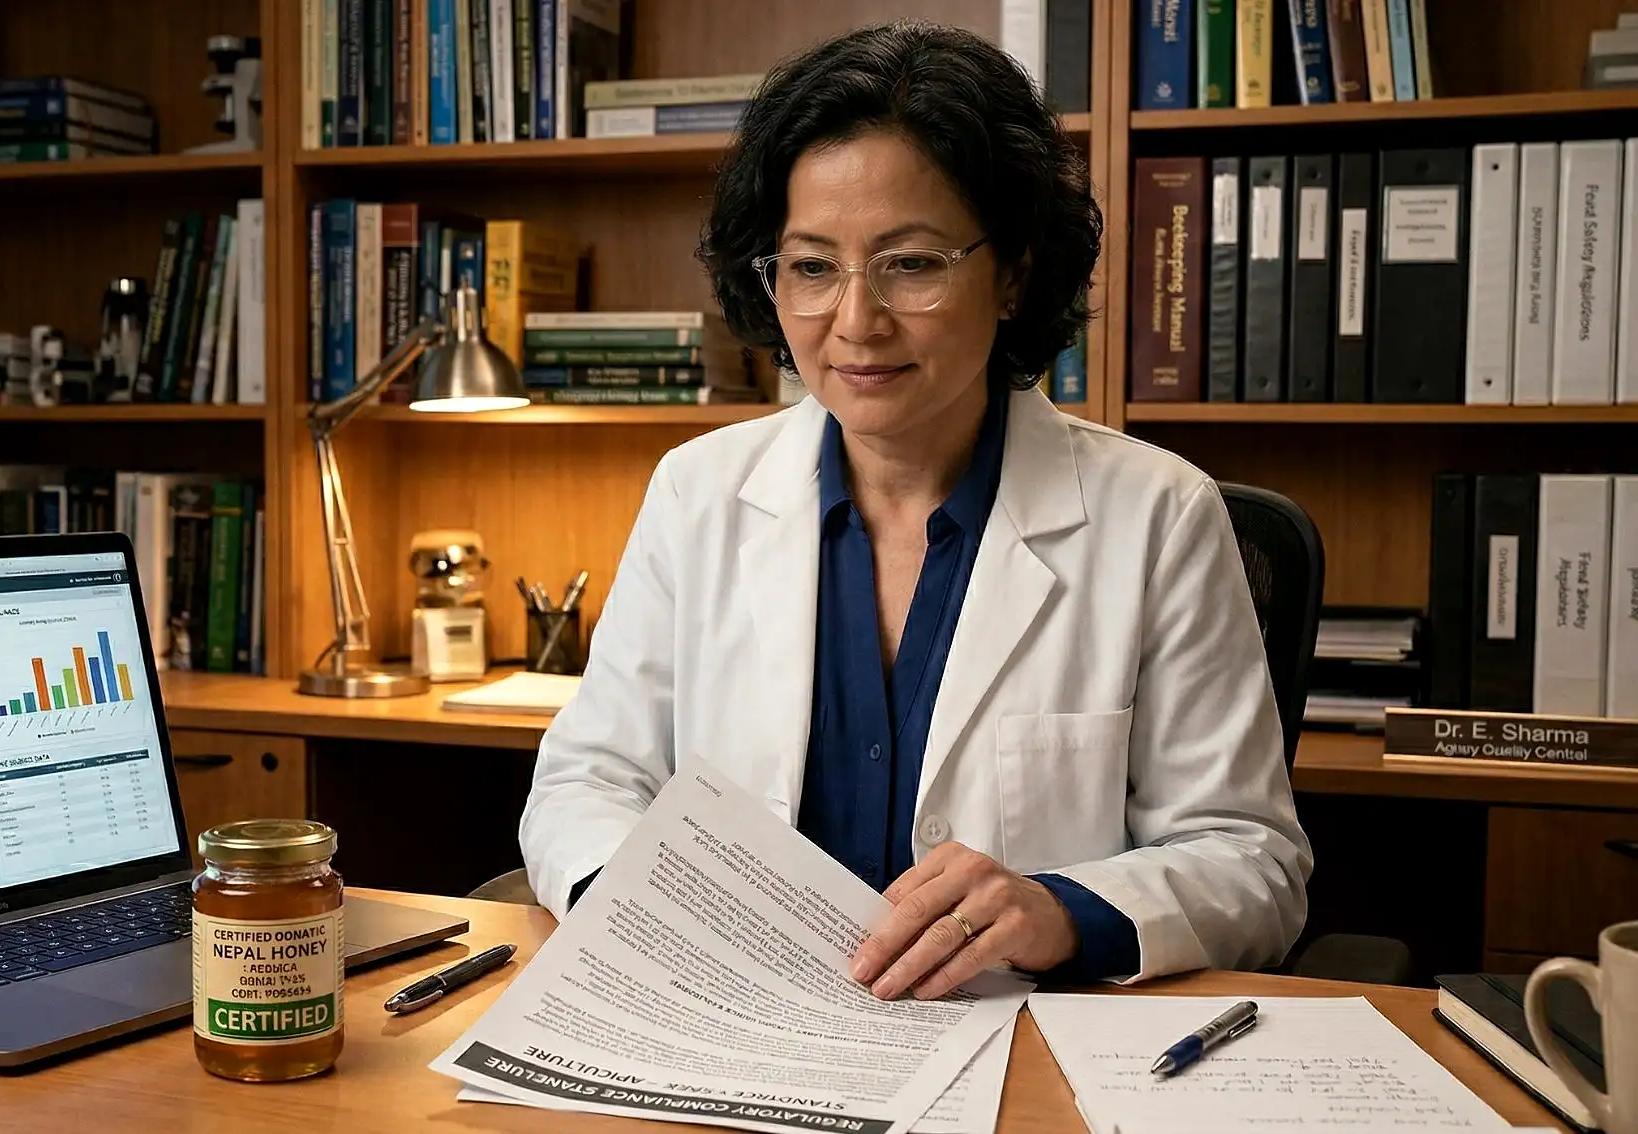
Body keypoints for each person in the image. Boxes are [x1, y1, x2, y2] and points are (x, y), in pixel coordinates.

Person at [518, 20, 1311, 996]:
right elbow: (585, 784)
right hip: (735, 1028)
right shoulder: (697, 492)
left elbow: (1249, 861)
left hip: (1013, 1045)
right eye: (810, 266)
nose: (855, 322)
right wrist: (632, 906)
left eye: (911, 263)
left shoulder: (1157, 517)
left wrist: (1059, 910)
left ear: (1012, 271)